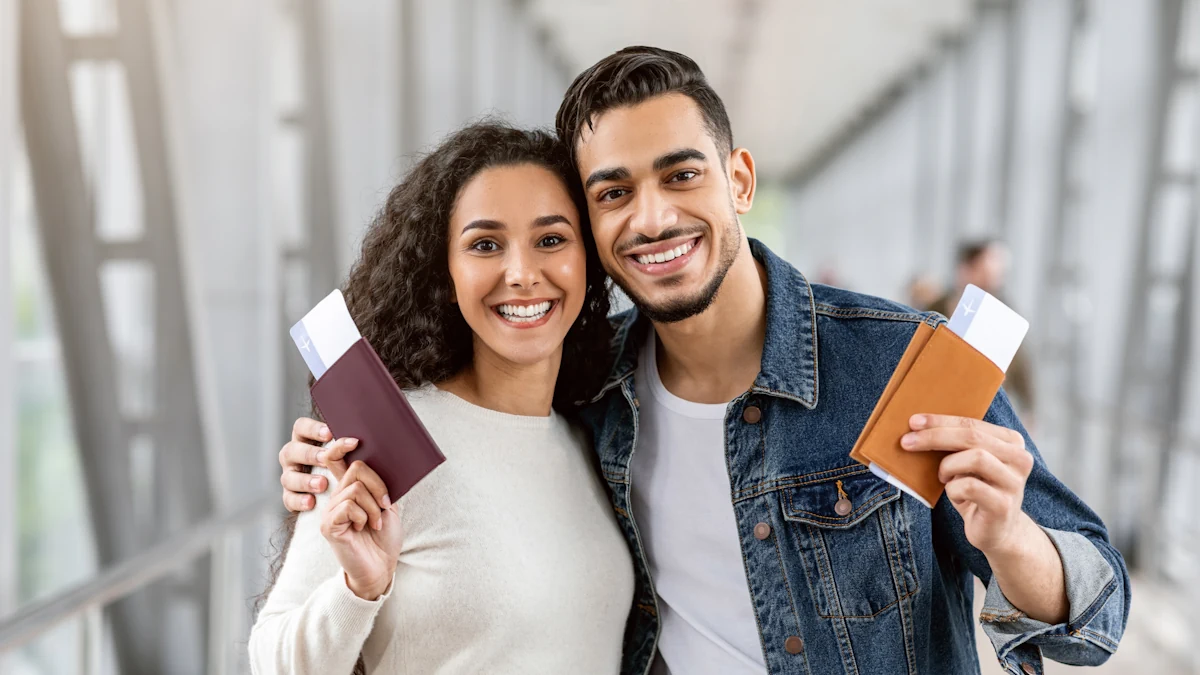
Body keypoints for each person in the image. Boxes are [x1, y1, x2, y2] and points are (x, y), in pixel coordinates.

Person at [280, 48, 1129, 674]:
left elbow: (1098, 616)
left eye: (681, 175)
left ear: (740, 181)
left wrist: (1011, 539)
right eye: (613, 192)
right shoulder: (590, 395)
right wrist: (328, 466)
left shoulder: (897, 360)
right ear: (591, 227)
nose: (651, 218)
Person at [249, 123, 634, 675]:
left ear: (588, 259)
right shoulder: (387, 440)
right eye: (485, 245)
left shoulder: (594, 435)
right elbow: (272, 662)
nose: (522, 274)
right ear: (446, 274)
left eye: (551, 240)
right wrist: (360, 587)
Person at [927, 239, 1036, 417]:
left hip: (986, 408)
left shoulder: (1005, 314)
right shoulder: (936, 308)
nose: (993, 280)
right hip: (938, 400)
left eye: (998, 274)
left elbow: (1020, 363)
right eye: (986, 272)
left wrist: (1028, 407)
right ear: (965, 269)